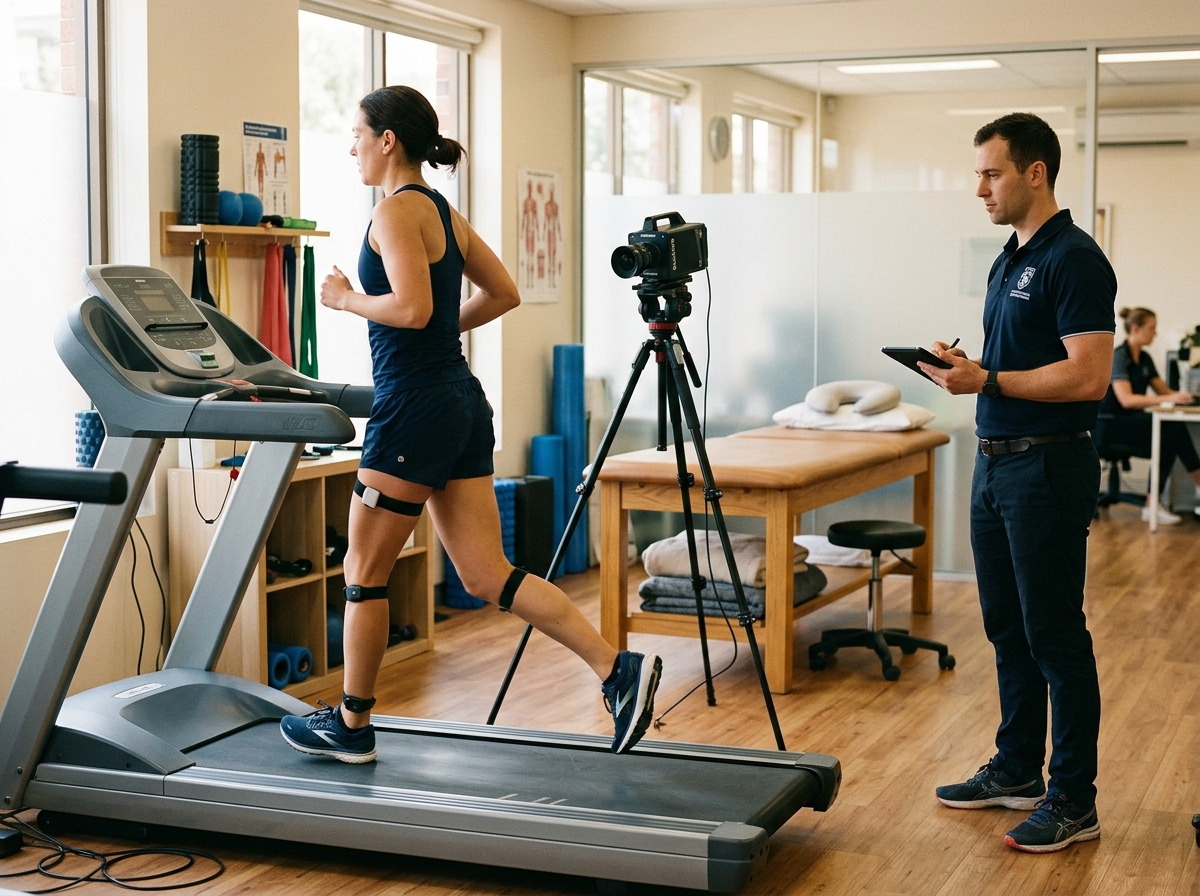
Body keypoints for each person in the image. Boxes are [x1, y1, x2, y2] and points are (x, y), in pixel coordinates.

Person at [279, 85, 661, 763]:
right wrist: (430, 334)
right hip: (458, 398)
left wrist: (344, 300)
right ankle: (615, 669)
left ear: (388, 139)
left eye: (358, 133)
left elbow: (411, 309)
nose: (353, 147)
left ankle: (351, 725)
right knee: (488, 575)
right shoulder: (443, 214)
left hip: (416, 408)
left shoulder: (396, 212)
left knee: (363, 574)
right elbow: (503, 293)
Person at [919, 113, 1115, 853]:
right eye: (978, 173)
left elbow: (1089, 374)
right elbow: (1020, 357)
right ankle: (1016, 770)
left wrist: (989, 376)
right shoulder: (1009, 257)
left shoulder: (1076, 258)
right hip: (995, 461)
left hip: (1047, 465)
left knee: (1055, 636)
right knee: (1006, 629)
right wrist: (962, 364)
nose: (980, 189)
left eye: (991, 173)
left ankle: (1073, 799)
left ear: (1036, 172)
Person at [1098, 306, 1200, 523]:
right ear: (1135, 328)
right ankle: (1154, 502)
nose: (1155, 333)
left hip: (1130, 422)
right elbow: (1127, 400)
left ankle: (1152, 503)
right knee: (1171, 432)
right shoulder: (1119, 357)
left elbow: (1164, 391)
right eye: (1152, 328)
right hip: (1111, 425)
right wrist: (1167, 400)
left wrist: (1187, 395)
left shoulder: (1144, 359)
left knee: (1171, 435)